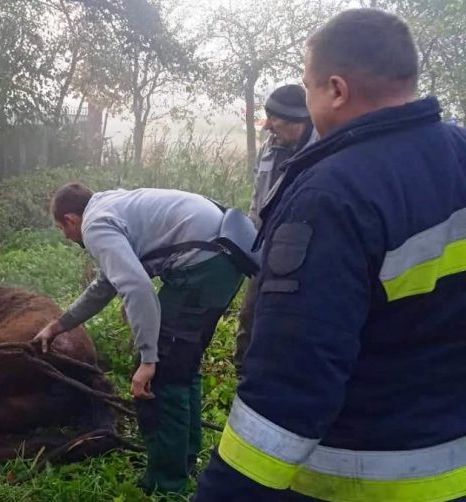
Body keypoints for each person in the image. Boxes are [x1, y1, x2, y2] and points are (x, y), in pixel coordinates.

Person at [195, 9, 466, 501]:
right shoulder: (460, 152)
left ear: (336, 90)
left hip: (365, 480)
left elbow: (292, 386)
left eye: (308, 86)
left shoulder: (331, 196)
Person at [33, 184, 250, 494]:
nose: (66, 237)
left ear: (70, 218)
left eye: (61, 228)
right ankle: (183, 459)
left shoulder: (94, 225)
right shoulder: (109, 205)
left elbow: (138, 288)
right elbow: (104, 286)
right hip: (225, 254)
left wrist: (148, 357)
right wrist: (59, 325)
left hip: (205, 262)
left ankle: (166, 483)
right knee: (181, 363)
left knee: (160, 371)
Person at [234, 84, 317, 374]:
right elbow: (258, 201)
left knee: (294, 322)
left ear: (297, 121)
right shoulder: (270, 149)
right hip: (265, 249)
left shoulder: (325, 149)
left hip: (307, 255)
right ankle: (245, 379)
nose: (267, 125)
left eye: (274, 118)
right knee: (250, 317)